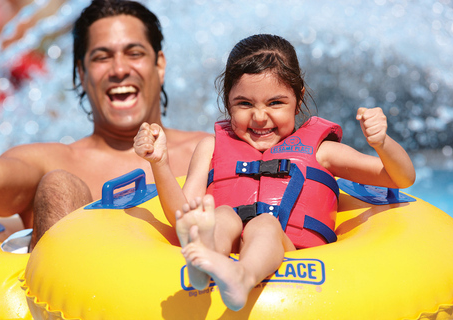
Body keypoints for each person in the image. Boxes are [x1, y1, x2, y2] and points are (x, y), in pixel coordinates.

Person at [134, 34, 415, 311]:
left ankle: (242, 276)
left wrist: (382, 143)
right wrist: (159, 163)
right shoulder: (210, 147)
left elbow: (400, 178)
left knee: (264, 224)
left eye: (275, 103)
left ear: (298, 98)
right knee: (219, 216)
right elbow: (182, 215)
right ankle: (205, 259)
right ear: (227, 100)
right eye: (244, 104)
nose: (259, 117)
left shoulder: (322, 152)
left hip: (296, 261)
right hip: (227, 244)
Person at [0, 0, 209, 249]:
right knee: (60, 185)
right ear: (81, 72)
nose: (119, 69)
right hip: (73, 282)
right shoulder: (45, 162)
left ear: (159, 64)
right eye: (102, 57)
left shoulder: (209, 152)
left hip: (189, 284)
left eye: (134, 53)